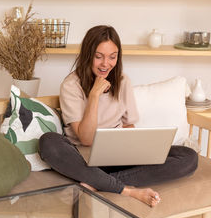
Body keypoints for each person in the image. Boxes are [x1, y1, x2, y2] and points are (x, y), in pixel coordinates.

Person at [39, 25, 198, 207]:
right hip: (85, 160)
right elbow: (87, 139)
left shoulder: (122, 82)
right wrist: (94, 95)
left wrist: (135, 150)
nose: (106, 64)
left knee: (189, 157)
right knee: (48, 141)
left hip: (118, 158)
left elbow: (129, 126)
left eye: (112, 57)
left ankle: (98, 183)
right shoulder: (70, 85)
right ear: (87, 55)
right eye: (99, 57)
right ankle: (128, 190)